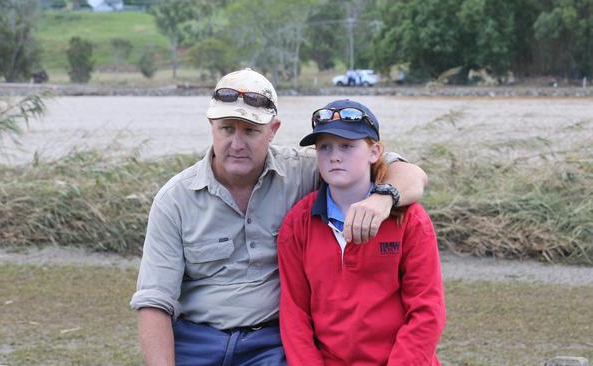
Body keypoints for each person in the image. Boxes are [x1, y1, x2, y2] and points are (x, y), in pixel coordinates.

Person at [130, 69, 429, 366]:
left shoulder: (308, 169)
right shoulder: (174, 199)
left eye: (250, 130)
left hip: (270, 343)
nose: (236, 143)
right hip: (196, 340)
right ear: (211, 125)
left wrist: (383, 198)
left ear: (273, 130)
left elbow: (408, 172)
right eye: (227, 128)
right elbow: (154, 301)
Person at [277, 99, 445, 365]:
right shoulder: (297, 224)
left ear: (374, 152)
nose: (334, 155)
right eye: (325, 147)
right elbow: (294, 315)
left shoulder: (410, 220)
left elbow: (427, 311)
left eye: (347, 146)